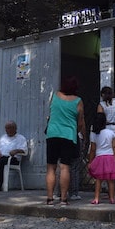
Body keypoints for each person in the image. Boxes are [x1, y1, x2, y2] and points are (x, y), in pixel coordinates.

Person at [45, 76, 86, 206]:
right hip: (68, 135)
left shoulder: (55, 95)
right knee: (65, 167)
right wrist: (75, 129)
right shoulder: (78, 101)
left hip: (52, 134)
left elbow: (51, 113)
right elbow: (80, 123)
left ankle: (50, 198)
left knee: (51, 167)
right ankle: (63, 199)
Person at [0, 121, 27, 191]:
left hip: (13, 158)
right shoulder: (3, 137)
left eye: (9, 128)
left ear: (14, 128)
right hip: (1, 157)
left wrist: (16, 151)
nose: (7, 130)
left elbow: (24, 150)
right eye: (6, 128)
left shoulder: (20, 138)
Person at [87, 112, 115, 204]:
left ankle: (96, 198)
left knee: (98, 179)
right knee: (111, 180)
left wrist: (90, 161)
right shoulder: (111, 133)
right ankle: (112, 198)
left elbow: (92, 149)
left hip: (99, 157)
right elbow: (114, 146)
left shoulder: (93, 134)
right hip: (110, 157)